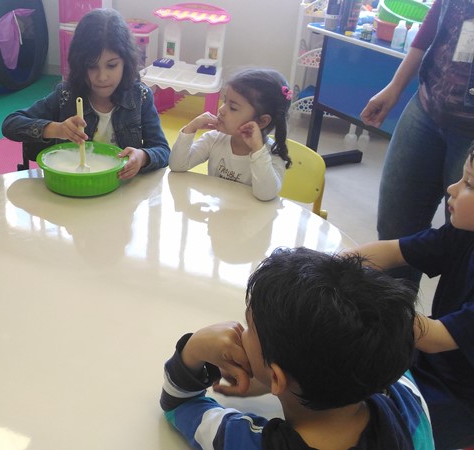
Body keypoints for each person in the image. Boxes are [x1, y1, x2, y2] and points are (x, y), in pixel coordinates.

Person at [160, 247, 433, 449]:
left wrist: (194, 347)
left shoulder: (243, 441)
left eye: (250, 327)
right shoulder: (408, 403)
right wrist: (282, 377)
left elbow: (178, 404)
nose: (241, 332)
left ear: (277, 377)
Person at [350, 143, 474, 449]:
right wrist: (331, 264)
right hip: (430, 361)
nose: (452, 188)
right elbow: (393, 251)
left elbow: (433, 337)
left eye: (469, 184)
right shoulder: (462, 232)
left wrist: (361, 297)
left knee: (369, 429)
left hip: (461, 396)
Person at [360, 0, 474, 282]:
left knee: (462, 242)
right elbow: (438, 15)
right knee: (395, 227)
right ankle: (393, 309)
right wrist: (395, 86)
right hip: (428, 105)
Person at [1, 8, 170, 180]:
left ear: (125, 62)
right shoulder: (66, 96)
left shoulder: (140, 97)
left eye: (112, 65)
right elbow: (10, 124)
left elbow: (162, 150)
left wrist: (143, 157)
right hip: (73, 189)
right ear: (80, 64)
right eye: (92, 66)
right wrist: (56, 129)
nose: (102, 77)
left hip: (122, 189)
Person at [168, 68, 292, 201]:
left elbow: (266, 195)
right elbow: (177, 165)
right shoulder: (214, 139)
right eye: (224, 101)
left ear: (262, 121)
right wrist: (191, 128)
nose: (221, 110)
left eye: (233, 108)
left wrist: (257, 151)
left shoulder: (272, 154)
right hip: (219, 211)